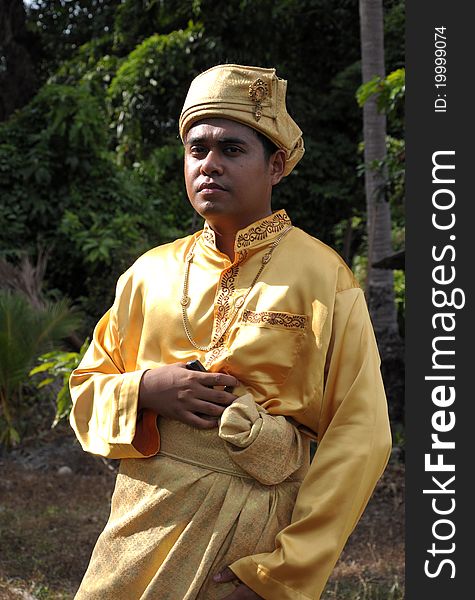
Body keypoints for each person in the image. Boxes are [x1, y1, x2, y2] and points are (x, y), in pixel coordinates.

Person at [69, 64, 392, 600]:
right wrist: (147, 390)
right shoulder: (149, 274)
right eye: (197, 150)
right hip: (143, 520)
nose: (210, 165)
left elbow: (362, 433)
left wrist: (282, 573)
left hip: (254, 532)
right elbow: (85, 392)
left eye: (232, 150)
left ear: (277, 165)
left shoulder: (322, 275)